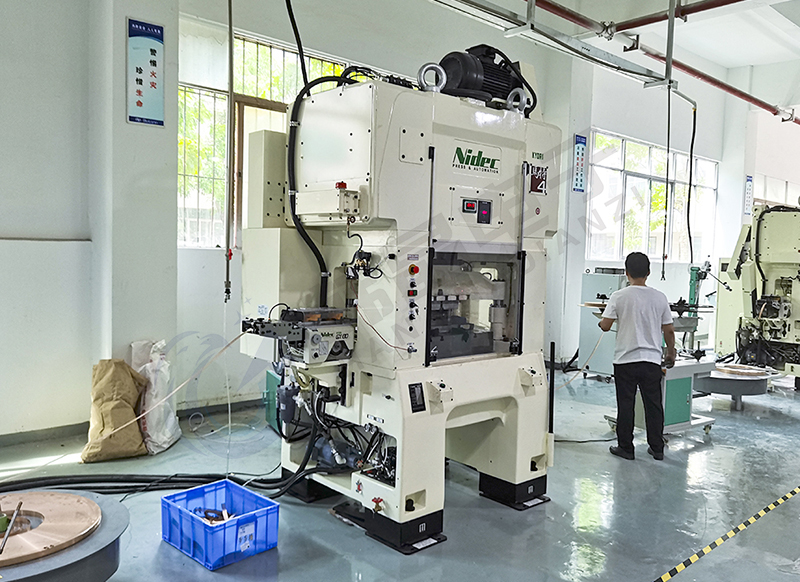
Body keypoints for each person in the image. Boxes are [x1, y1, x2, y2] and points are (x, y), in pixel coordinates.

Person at [598, 252, 676, 461]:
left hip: (625, 361)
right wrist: (671, 351)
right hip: (651, 360)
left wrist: (601, 321)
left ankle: (626, 448)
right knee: (654, 405)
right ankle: (657, 448)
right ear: (648, 272)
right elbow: (668, 330)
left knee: (626, 405)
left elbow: (605, 325)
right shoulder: (660, 297)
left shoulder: (619, 296)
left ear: (627, 272)